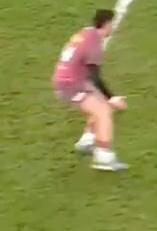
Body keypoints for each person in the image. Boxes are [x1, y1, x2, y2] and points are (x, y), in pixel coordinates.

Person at [51, 9, 128, 171]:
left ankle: (87, 140)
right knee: (104, 111)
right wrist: (112, 98)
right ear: (106, 24)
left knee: (99, 101)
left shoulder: (85, 33)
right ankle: (104, 156)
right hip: (71, 84)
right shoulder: (94, 43)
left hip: (69, 78)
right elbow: (95, 78)